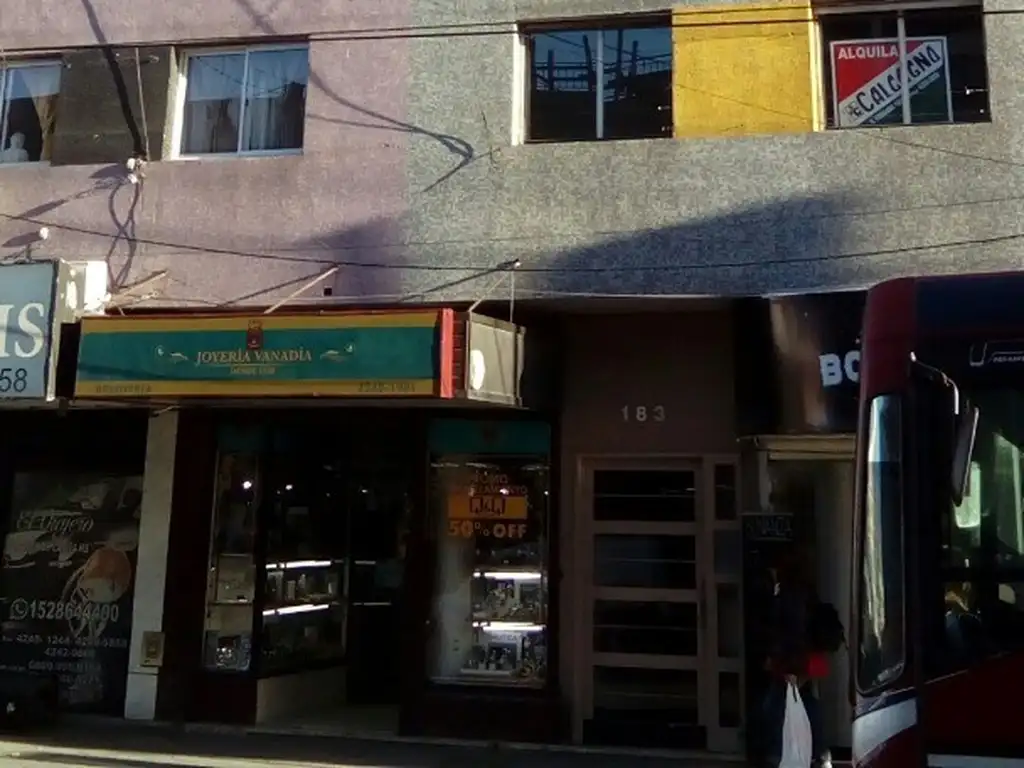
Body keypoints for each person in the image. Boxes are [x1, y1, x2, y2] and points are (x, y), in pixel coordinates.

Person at [761, 547, 828, 768]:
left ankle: (782, 751)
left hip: (794, 660)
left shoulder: (788, 595)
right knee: (805, 701)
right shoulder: (805, 591)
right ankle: (817, 751)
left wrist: (789, 665)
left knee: (775, 707)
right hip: (804, 658)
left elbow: (790, 632)